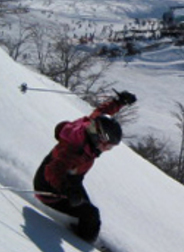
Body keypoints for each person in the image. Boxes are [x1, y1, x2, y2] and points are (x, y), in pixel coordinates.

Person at [34, 90, 137, 242]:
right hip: (50, 190)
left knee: (88, 210)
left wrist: (119, 102)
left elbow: (102, 113)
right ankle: (84, 242)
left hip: (71, 180)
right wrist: (67, 190)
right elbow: (53, 170)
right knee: (91, 214)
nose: (106, 151)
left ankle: (82, 231)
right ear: (98, 138)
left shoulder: (90, 127)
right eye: (107, 146)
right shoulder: (74, 149)